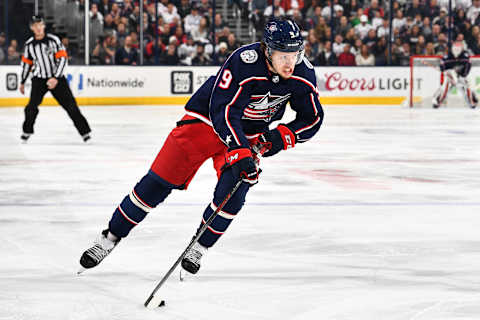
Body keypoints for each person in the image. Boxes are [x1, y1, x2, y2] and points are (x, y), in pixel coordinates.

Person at [78, 18, 324, 276]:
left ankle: (200, 246)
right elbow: (223, 111)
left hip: (247, 134)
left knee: (234, 194)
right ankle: (110, 237)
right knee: (156, 184)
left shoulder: (302, 73)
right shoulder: (244, 61)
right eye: (283, 55)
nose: (289, 62)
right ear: (267, 50)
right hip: (204, 123)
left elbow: (313, 118)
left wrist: (274, 139)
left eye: (294, 54)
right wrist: (239, 150)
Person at [19, 15, 91, 143]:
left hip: (57, 79)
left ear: (44, 26)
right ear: (32, 28)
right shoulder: (29, 44)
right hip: (39, 79)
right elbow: (26, 64)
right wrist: (22, 81)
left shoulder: (54, 40)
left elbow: (63, 59)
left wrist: (56, 77)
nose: (38, 27)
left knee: (70, 106)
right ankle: (27, 131)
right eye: (35, 25)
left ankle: (85, 133)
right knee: (31, 107)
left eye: (40, 24)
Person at [432, 42, 479, 109]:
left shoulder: (465, 57)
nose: (456, 52)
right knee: (444, 87)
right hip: (450, 77)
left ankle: (472, 100)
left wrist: (463, 75)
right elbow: (442, 64)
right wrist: (444, 70)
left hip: (461, 76)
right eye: (455, 49)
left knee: (468, 85)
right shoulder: (447, 57)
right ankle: (437, 101)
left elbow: (468, 65)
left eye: (458, 49)